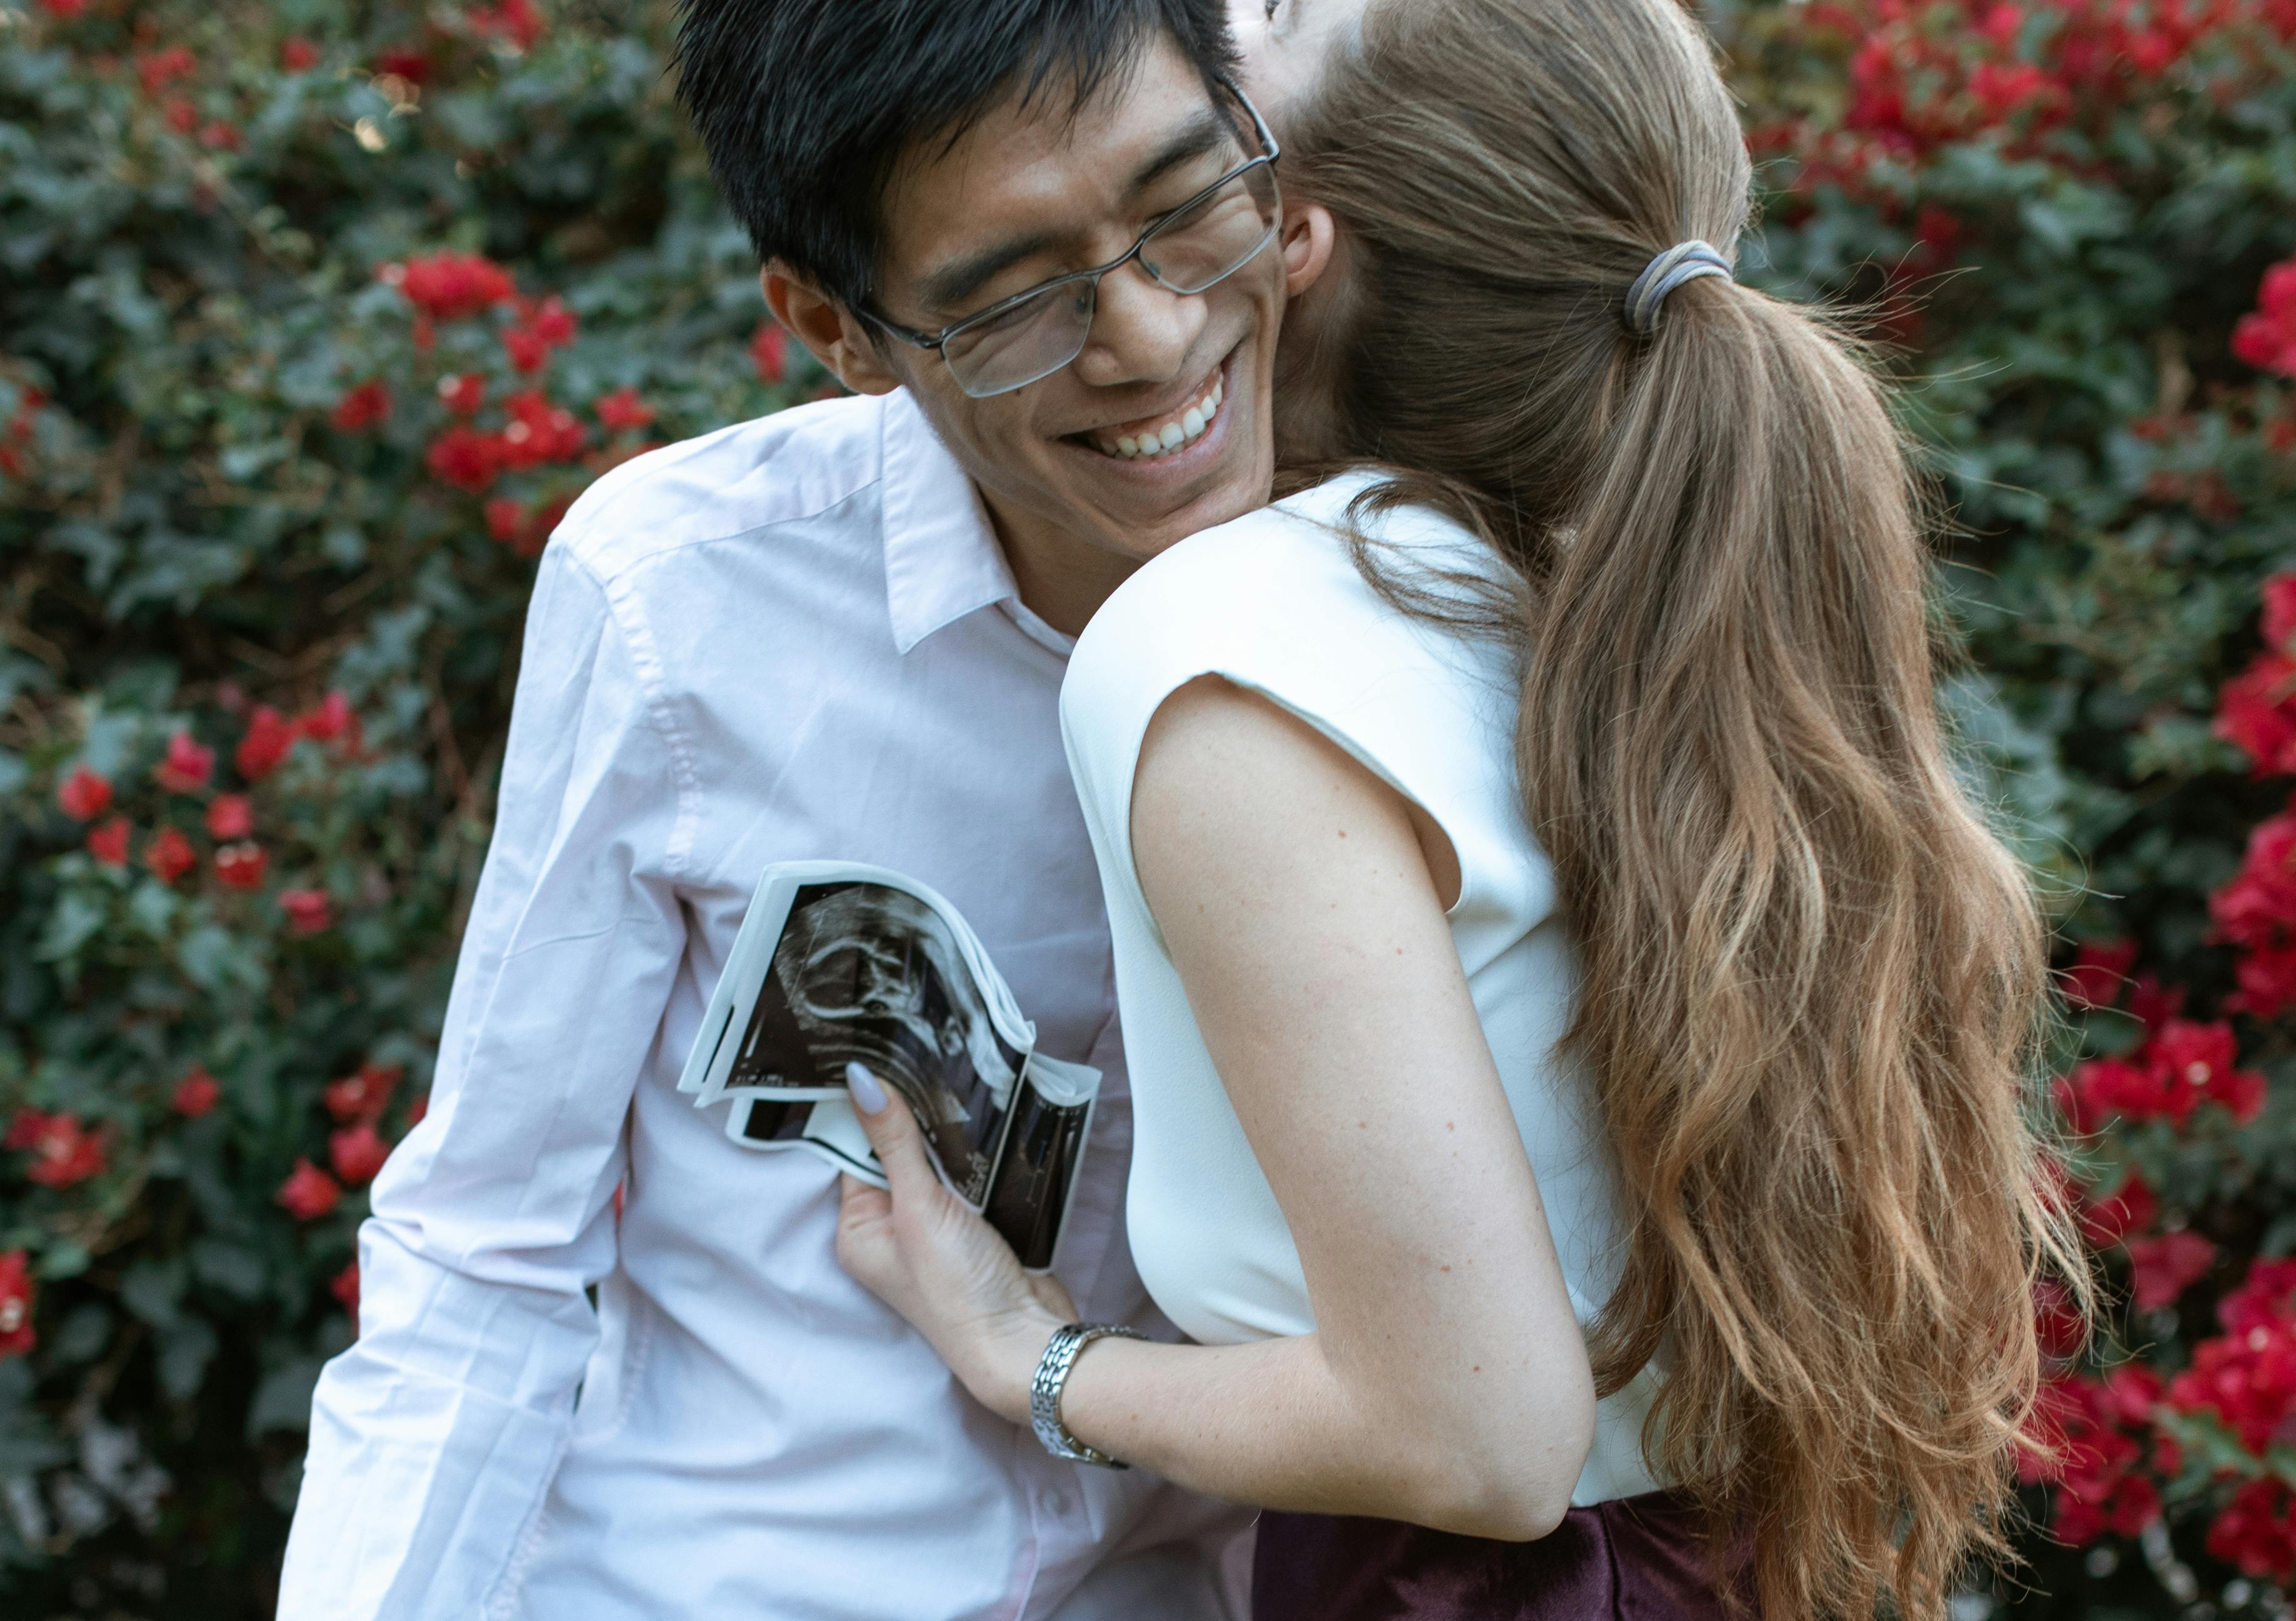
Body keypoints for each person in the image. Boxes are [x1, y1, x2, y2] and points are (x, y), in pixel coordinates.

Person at [827, 0, 2092, 1617]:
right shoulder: (1640, 577)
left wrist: (1034, 1356)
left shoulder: (1227, 643)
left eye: (1272, 23)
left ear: (1296, 241)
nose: (1219, 25)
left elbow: (1476, 1435)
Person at [275, 3, 1336, 1615]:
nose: (1148, 335)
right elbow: (488, 1245)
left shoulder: (1416, 576)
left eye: (1188, 206)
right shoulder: (682, 602)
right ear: (838, 330)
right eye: (1016, 299)